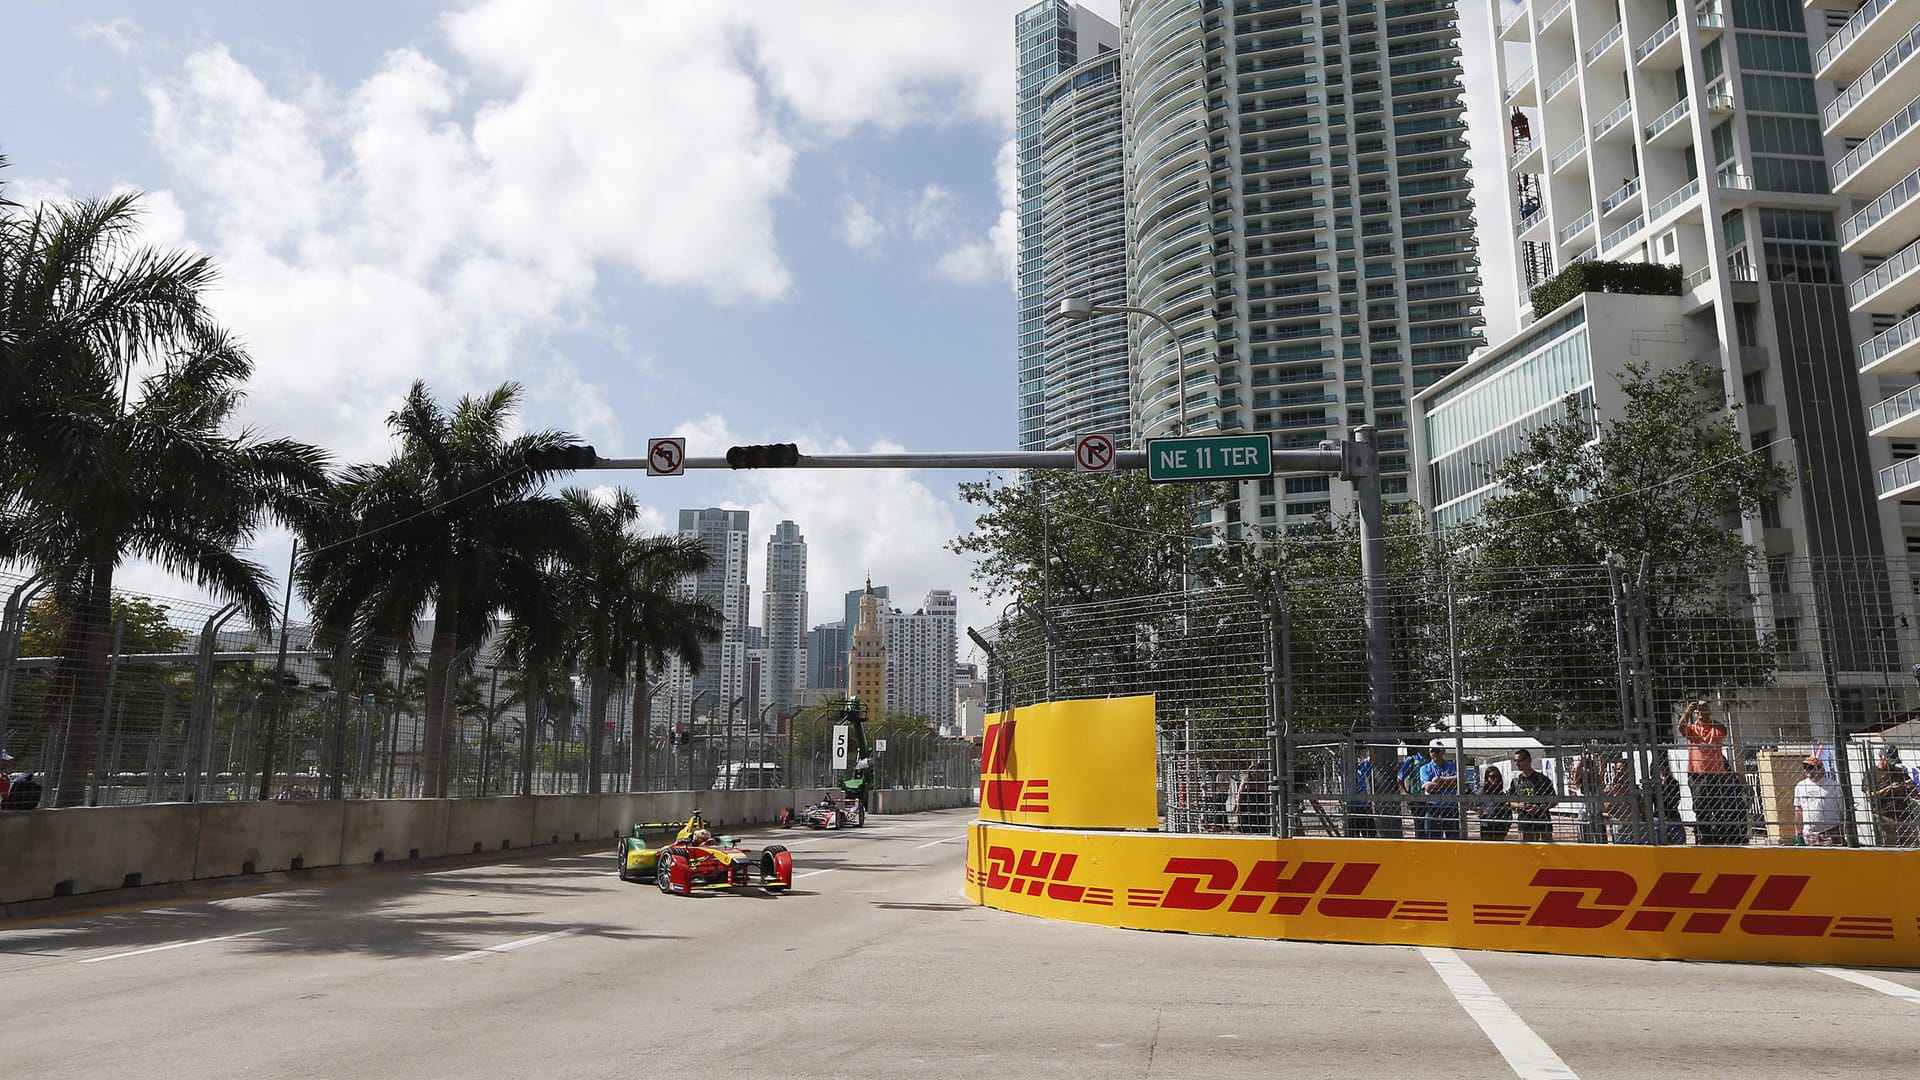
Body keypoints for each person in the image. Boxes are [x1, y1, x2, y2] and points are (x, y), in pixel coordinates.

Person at [1679, 699, 1748, 845]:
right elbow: (1681, 727)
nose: (1701, 714)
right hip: (1697, 774)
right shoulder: (1692, 729)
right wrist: (1688, 711)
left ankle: (1719, 836)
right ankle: (1705, 837)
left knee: (1718, 807)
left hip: (1716, 774)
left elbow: (1724, 730)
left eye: (1704, 711)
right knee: (1700, 806)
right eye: (1699, 712)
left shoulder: (1715, 728)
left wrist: (1707, 718)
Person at [1868, 746, 1918, 848]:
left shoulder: (1900, 772)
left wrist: (1911, 786)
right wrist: (1888, 788)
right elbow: (1869, 796)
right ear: (1881, 757)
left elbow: (1915, 796)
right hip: (1886, 817)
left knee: (1913, 846)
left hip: (1905, 816)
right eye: (1889, 761)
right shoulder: (1872, 774)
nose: (1892, 764)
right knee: (1890, 848)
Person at [1508, 749, 1559, 842]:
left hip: (1542, 824)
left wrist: (1539, 807)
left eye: (1520, 760)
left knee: (1545, 853)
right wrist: (1519, 805)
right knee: (1526, 854)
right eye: (1515, 761)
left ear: (1528, 760)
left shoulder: (1542, 779)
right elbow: (1510, 801)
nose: (1517, 763)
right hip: (1524, 824)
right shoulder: (1516, 781)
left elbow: (1554, 801)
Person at [1792, 756, 1844, 846]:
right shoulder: (1800, 786)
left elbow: (1842, 809)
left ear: (1820, 769)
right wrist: (1798, 833)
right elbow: (1798, 810)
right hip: (1810, 833)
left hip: (1830, 830)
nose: (1807, 770)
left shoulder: (1833, 786)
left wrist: (1843, 831)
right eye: (1805, 767)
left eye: (1811, 767)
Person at [1420, 739, 1461, 840]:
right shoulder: (1425, 768)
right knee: (1433, 840)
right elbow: (1428, 788)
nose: (1435, 753)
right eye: (1432, 750)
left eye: (1438, 750)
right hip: (1432, 807)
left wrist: (1438, 779)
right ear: (1429, 752)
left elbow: (1459, 782)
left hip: (1450, 807)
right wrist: (1450, 784)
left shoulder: (1452, 765)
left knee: (1453, 839)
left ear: (1443, 752)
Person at [1399, 741, 1430, 839]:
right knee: (1419, 826)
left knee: (1431, 826)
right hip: (1417, 798)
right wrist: (1405, 793)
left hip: (1431, 798)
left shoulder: (1431, 759)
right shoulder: (1412, 760)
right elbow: (1400, 778)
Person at [1346, 751, 1378, 838]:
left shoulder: (1362, 769)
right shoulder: (1345, 771)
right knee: (1352, 837)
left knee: (1370, 835)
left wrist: (1369, 745)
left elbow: (1371, 759)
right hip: (1351, 807)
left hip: (1364, 806)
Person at [1477, 764, 1510, 841]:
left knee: (1499, 846)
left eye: (1497, 776)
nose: (1495, 779)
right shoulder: (1482, 791)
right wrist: (1480, 811)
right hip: (1486, 825)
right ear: (1487, 778)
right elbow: (1472, 803)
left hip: (1499, 824)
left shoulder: (1501, 792)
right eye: (1492, 777)